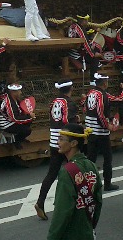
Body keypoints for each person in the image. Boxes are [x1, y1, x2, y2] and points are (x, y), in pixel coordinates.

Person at [46, 123, 103, 240]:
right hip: (87, 231)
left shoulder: (66, 171)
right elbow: (98, 201)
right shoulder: (92, 166)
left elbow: (62, 211)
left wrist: (52, 237)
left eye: (61, 139)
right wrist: (90, 225)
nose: (58, 143)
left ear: (73, 143)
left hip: (71, 233)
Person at [35, 80, 80, 221]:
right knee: (74, 171)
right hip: (66, 141)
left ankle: (40, 202)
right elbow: (70, 124)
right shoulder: (69, 103)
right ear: (70, 89)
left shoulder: (53, 102)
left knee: (52, 173)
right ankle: (73, 203)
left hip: (54, 140)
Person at [85, 73, 123, 191]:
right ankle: (107, 184)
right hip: (100, 131)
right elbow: (100, 114)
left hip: (90, 129)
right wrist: (108, 126)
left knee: (91, 158)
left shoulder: (90, 93)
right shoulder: (102, 95)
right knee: (107, 158)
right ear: (104, 83)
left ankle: (88, 185)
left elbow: (84, 107)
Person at [0, 83, 35, 148]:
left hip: (11, 121)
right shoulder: (10, 103)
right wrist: (29, 117)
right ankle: (16, 140)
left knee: (28, 122)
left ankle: (20, 138)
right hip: (7, 124)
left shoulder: (14, 99)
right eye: (19, 91)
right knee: (27, 130)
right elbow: (15, 118)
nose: (20, 92)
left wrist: (28, 116)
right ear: (13, 92)